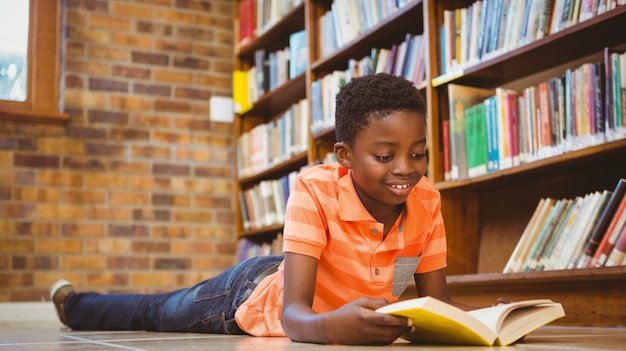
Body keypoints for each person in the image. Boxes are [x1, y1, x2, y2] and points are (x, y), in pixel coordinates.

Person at [51, 73, 487, 345]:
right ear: (345, 155)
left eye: (418, 153)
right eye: (385, 155)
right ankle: (76, 305)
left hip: (302, 279)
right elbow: (293, 316)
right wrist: (333, 327)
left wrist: (492, 318)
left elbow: (437, 303)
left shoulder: (427, 199)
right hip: (252, 295)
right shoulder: (314, 188)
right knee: (158, 312)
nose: (405, 170)